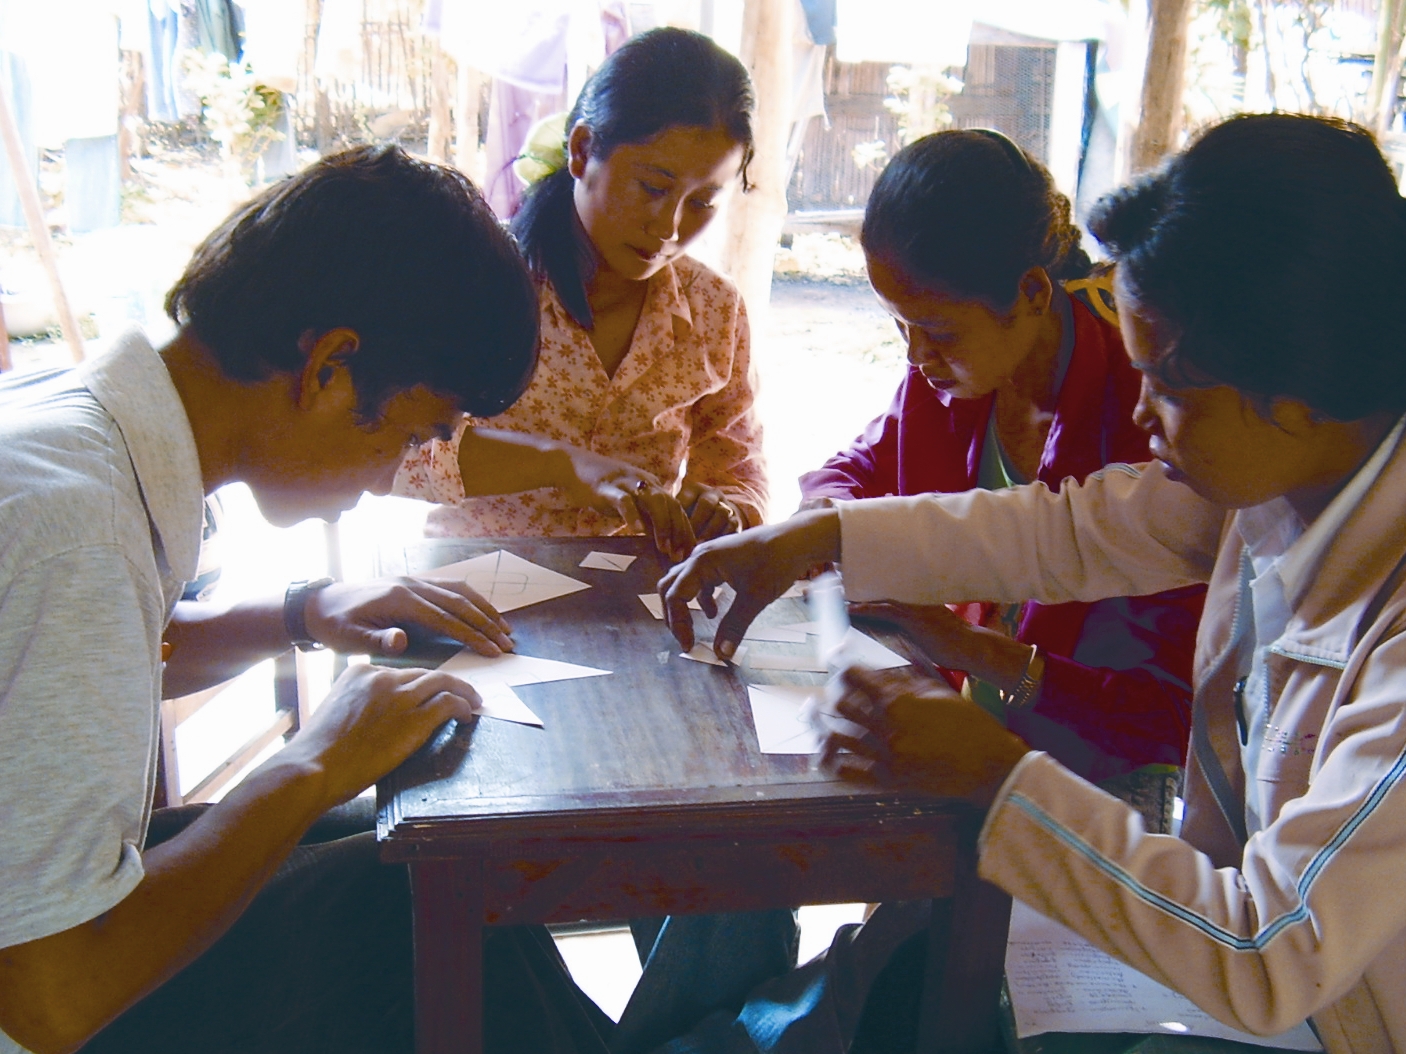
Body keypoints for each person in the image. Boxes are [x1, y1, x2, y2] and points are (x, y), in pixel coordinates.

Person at [657, 113, 1406, 1053]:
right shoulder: (1269, 489)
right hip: (1261, 977)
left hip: (1327, 1016)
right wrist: (817, 536)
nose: (1144, 415)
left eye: (1169, 389)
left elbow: (1269, 951)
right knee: (906, 985)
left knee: (940, 998)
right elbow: (1064, 530)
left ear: (1293, 396)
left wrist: (997, 772)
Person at [0, 144, 610, 1054]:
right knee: (406, 895)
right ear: (329, 367)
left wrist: (302, 614)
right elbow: (47, 1005)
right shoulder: (79, 535)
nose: (398, 468)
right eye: (414, 433)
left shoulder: (78, 427)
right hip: (42, 994)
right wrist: (314, 759)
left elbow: (94, 663)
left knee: (438, 846)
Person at [801, 128, 1203, 796]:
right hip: (966, 728)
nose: (915, 357)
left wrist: (966, 647)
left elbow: (1157, 715)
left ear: (1033, 293)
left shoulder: (1146, 420)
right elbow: (861, 465)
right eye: (899, 325)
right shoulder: (955, 374)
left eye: (938, 331)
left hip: (1097, 780)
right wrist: (822, 516)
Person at [395, 27, 768, 563]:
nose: (669, 227)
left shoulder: (713, 309)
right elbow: (393, 452)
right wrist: (558, 463)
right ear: (582, 151)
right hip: (475, 580)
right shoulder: (477, 278)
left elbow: (739, 468)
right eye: (653, 187)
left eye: (703, 202)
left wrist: (724, 507)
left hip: (634, 588)